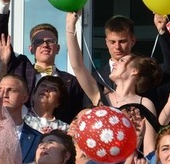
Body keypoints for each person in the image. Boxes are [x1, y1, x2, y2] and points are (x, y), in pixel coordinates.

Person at [65, 11, 161, 154]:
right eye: (112, 42)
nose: (115, 62)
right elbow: (77, 65)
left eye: (122, 61)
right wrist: (70, 27)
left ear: (134, 71)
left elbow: (150, 149)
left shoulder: (145, 103)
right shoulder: (100, 97)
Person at [0, 0, 87, 123]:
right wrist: (4, 3)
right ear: (31, 49)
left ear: (58, 48)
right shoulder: (20, 67)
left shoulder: (71, 82)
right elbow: (1, 41)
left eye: (50, 41)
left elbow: (76, 115)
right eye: (39, 42)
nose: (45, 45)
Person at [92, 13, 170, 111]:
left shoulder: (145, 69)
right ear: (106, 42)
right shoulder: (96, 78)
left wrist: (163, 32)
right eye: (112, 42)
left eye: (122, 41)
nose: (117, 47)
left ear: (133, 41)